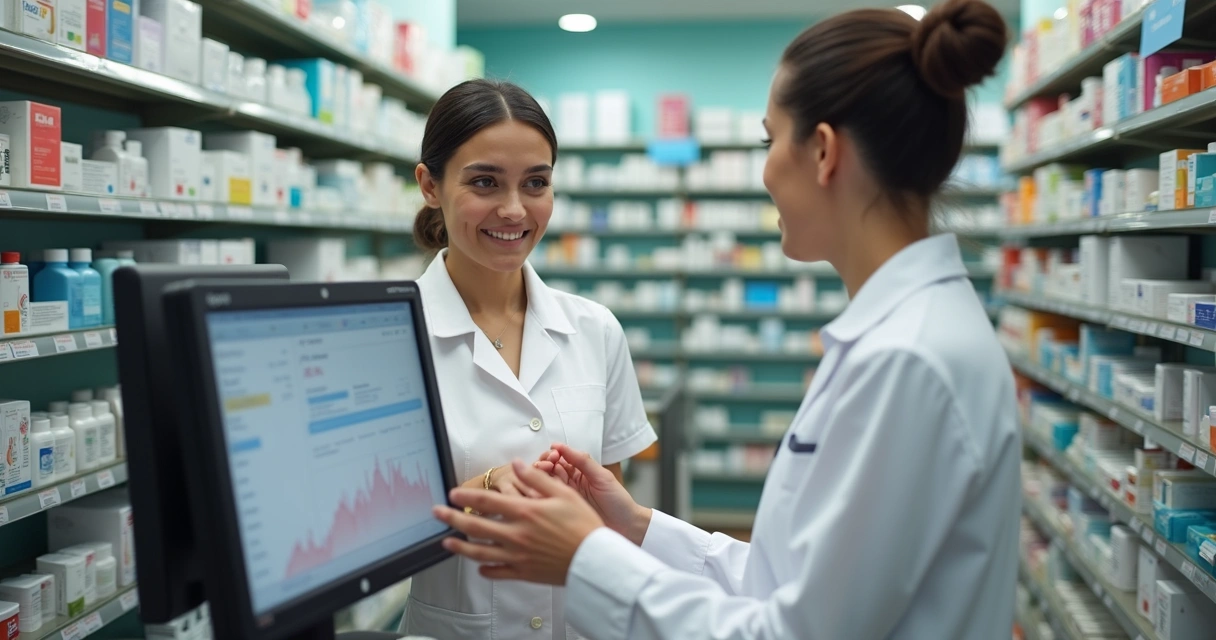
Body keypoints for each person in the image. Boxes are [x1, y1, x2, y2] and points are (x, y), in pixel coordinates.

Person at [431, 0, 1020, 638]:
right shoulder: (909, 336)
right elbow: (789, 585)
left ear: (823, 153)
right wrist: (634, 525)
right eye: (485, 183)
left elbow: (791, 631)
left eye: (770, 140)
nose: (764, 171)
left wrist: (584, 558)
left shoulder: (907, 359)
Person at [400, 79, 658, 639]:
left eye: (536, 182)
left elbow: (611, 515)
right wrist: (480, 495)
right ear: (430, 185)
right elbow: (365, 531)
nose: (515, 210)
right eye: (485, 182)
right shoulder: (391, 335)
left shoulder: (595, 330)